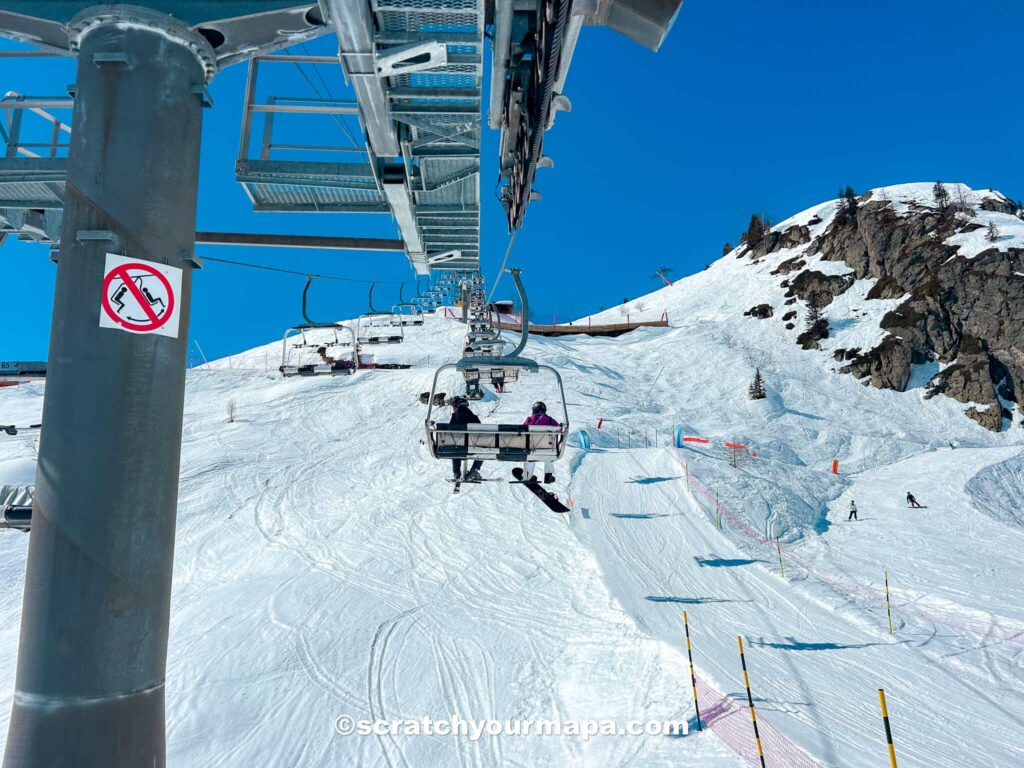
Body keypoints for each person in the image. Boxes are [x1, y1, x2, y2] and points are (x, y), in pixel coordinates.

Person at [513, 401, 560, 484]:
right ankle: (548, 475)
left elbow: (523, 429)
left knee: (531, 457)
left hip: (532, 447)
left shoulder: (530, 420)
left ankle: (528, 475)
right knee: (549, 455)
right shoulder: (549, 420)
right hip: (547, 448)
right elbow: (559, 429)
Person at [449, 396, 484, 482]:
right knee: (484, 450)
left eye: (454, 407)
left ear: (457, 406)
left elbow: (449, 432)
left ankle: (456, 473)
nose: (453, 409)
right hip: (473, 448)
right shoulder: (474, 417)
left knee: (455, 448)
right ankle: (474, 470)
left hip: (458, 449)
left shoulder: (455, 417)